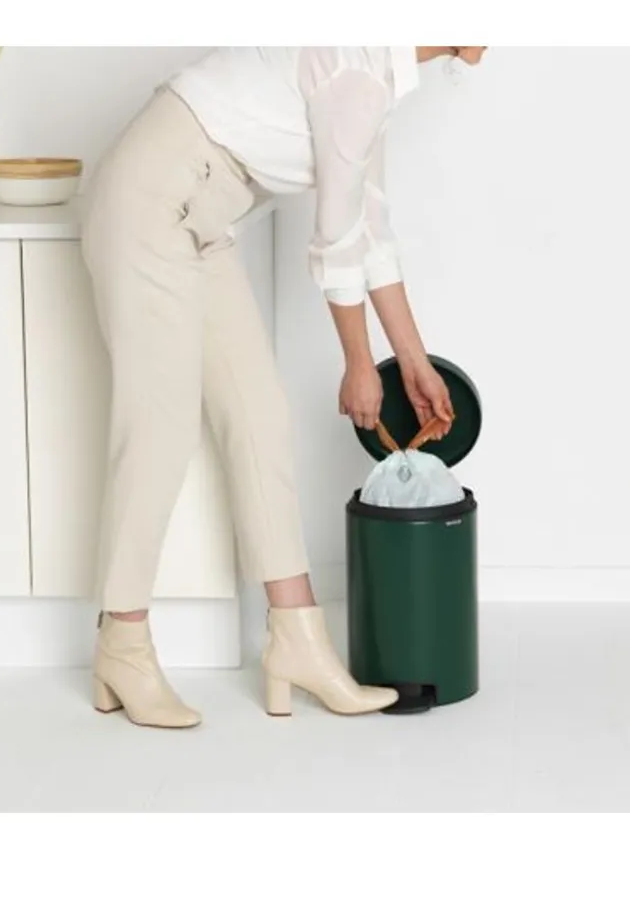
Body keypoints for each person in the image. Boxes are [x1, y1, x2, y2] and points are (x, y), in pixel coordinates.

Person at [80, 46, 488, 728]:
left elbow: (370, 231)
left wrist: (412, 360)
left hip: (198, 217)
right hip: (150, 201)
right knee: (160, 426)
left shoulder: (375, 76)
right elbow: (335, 240)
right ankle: (121, 643)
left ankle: (297, 638)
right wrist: (359, 363)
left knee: (259, 414)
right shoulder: (357, 75)